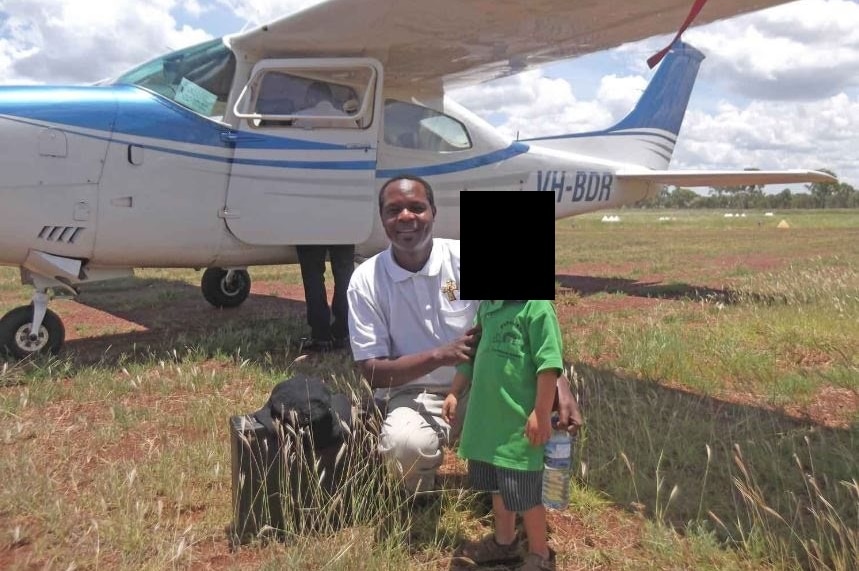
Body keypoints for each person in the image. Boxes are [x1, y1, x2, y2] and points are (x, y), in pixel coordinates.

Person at [347, 174, 582, 494]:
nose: (405, 216)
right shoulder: (365, 279)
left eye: (416, 207)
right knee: (404, 446)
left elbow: (533, 317)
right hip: (415, 395)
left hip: (488, 384)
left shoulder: (465, 256)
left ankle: (504, 484)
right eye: (393, 210)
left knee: (532, 432)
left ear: (433, 212)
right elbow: (372, 372)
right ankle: (422, 491)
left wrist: (559, 382)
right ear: (383, 219)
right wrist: (440, 355)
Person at [443, 300, 569, 570]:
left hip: (518, 428)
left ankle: (539, 554)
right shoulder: (488, 307)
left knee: (526, 495)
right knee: (498, 489)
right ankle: (505, 542)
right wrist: (454, 391)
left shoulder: (537, 309)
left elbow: (548, 365)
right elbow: (471, 356)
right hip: (488, 426)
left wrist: (541, 412)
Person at [296, 243, 355, 352]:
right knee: (345, 274)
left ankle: (321, 336)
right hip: (345, 230)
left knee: (312, 274)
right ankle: (343, 332)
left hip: (309, 230)